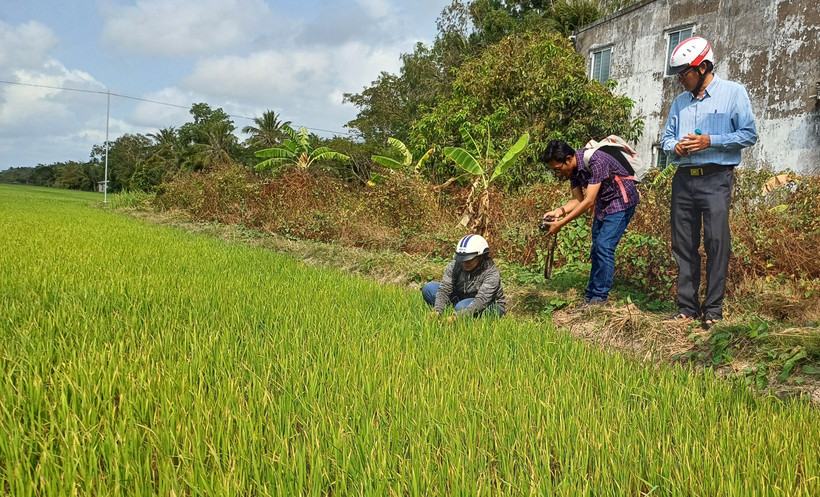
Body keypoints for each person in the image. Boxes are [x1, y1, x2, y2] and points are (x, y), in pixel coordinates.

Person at [661, 37, 757, 328]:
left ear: (702, 67)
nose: (680, 81)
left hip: (717, 178)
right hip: (684, 180)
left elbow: (748, 135)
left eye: (683, 74)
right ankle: (687, 307)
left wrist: (710, 141)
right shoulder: (679, 103)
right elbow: (666, 138)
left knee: (716, 243)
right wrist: (674, 147)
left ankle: (713, 309)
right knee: (683, 244)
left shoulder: (733, 93)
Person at [540, 139, 639, 309]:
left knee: (604, 246)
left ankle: (600, 299)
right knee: (596, 250)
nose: (558, 174)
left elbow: (588, 201)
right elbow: (577, 200)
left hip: (621, 201)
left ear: (569, 159)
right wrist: (559, 211)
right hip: (604, 203)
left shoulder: (596, 160)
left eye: (558, 169)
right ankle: (590, 298)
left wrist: (561, 224)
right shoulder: (573, 171)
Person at [422, 234, 506, 321]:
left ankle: (468, 317)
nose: (465, 263)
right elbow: (445, 288)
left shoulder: (491, 272)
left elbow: (482, 300)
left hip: (489, 303)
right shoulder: (455, 265)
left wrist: (457, 318)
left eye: (469, 259)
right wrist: (438, 311)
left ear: (480, 257)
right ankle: (459, 311)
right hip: (462, 297)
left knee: (461, 307)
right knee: (429, 289)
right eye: (462, 259)